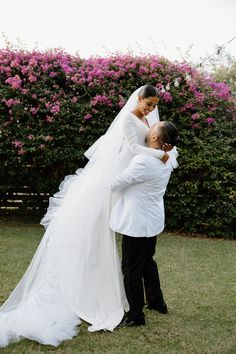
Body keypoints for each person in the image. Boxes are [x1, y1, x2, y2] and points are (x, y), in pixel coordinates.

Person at [0, 85, 177, 347]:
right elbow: (132, 149)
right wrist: (161, 153)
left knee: (135, 263)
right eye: (148, 104)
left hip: (133, 191)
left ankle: (140, 309)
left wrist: (154, 156)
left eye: (154, 106)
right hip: (136, 189)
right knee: (142, 258)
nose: (151, 110)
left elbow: (134, 166)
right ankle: (153, 301)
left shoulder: (149, 127)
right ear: (138, 99)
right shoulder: (134, 125)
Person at [108, 121, 179, 327]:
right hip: (153, 220)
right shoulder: (170, 156)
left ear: (155, 138)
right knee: (148, 261)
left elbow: (114, 184)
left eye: (154, 127)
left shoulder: (144, 161)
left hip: (137, 223)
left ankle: (135, 315)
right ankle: (157, 302)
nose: (149, 127)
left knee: (131, 269)